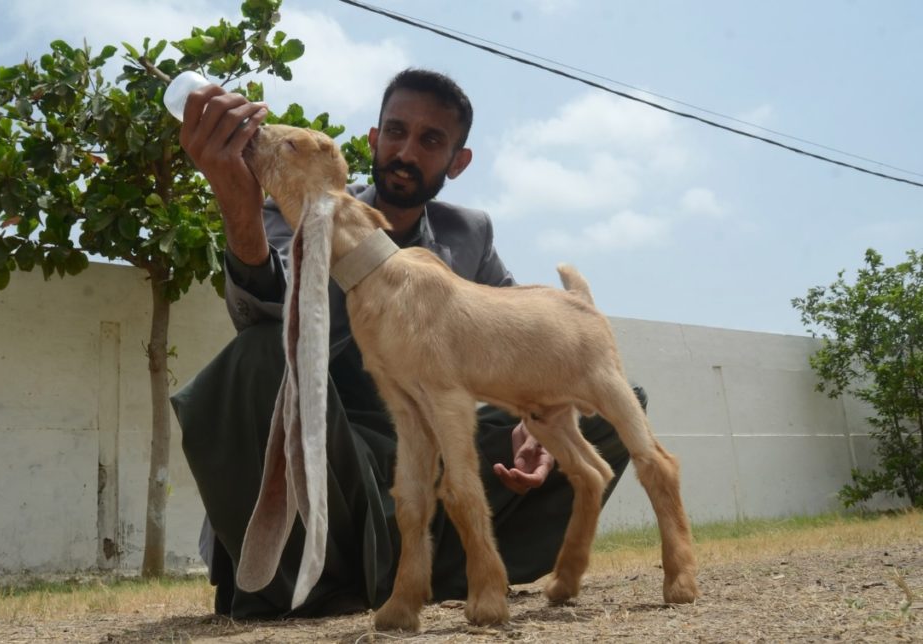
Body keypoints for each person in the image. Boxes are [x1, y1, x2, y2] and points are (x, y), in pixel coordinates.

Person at [171, 68, 645, 619]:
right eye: (395, 131)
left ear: (457, 162)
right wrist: (238, 205)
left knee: (612, 408)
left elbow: (521, 333)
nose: (405, 150)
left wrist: (536, 414)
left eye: (431, 140)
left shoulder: (469, 235)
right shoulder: (306, 204)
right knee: (255, 357)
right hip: (337, 449)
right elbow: (267, 316)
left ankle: (412, 570)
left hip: (428, 447)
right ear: (373, 139)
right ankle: (354, 568)